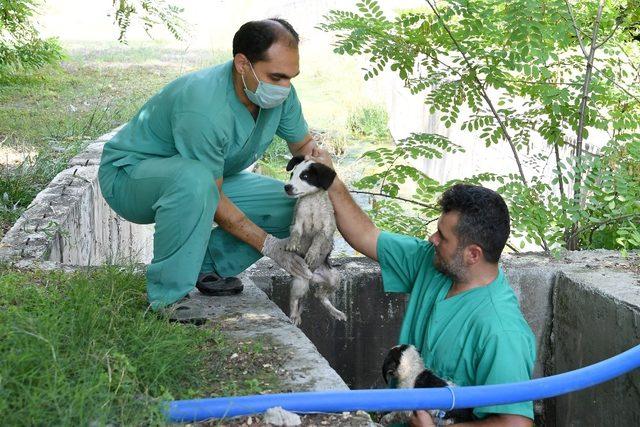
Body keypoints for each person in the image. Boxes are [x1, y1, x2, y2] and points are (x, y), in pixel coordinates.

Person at [98, 18, 316, 314]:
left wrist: (322, 179)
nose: (285, 87)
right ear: (242, 64)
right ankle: (168, 296)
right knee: (195, 181)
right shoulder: (203, 106)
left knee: (295, 205)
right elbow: (213, 198)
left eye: (291, 77)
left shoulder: (280, 94)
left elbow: (303, 147)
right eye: (277, 77)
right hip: (131, 178)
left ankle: (205, 265)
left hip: (204, 179)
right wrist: (269, 245)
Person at [308, 148, 536, 426]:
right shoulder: (433, 262)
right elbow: (366, 235)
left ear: (473, 254)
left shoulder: (500, 330)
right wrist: (330, 179)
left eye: (443, 236)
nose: (432, 238)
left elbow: (515, 423)